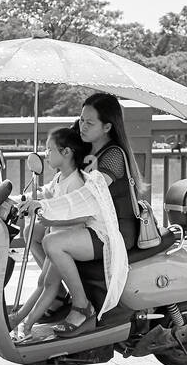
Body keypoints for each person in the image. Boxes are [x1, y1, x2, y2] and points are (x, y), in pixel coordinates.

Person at [12, 123, 129, 341]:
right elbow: (46, 195)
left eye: (49, 149)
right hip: (63, 235)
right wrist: (18, 202)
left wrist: (48, 215)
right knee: (44, 279)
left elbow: (81, 214)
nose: (45, 154)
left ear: (66, 153)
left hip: (83, 237)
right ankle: (20, 320)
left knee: (48, 279)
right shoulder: (59, 178)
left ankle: (78, 308)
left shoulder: (78, 181)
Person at [41, 92, 144, 336]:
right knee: (33, 231)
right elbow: (60, 155)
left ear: (107, 126)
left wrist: (46, 208)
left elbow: (88, 196)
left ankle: (81, 306)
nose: (82, 126)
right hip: (91, 222)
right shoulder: (86, 147)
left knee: (53, 242)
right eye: (81, 119)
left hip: (113, 229)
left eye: (90, 122)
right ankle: (57, 292)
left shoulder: (114, 156)